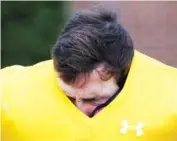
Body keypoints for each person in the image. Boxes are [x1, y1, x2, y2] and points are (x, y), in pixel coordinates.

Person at [1, 7, 177, 141]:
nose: (79, 109)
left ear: (124, 72)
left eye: (93, 99)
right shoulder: (8, 95)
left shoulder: (170, 99)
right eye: (68, 97)